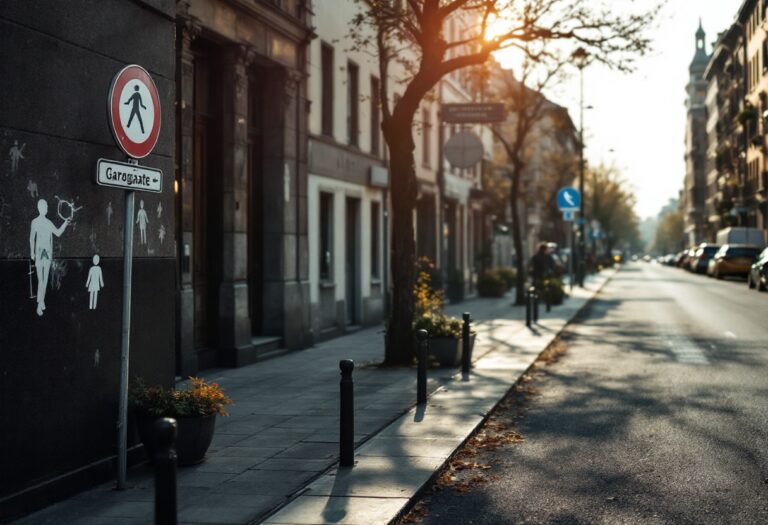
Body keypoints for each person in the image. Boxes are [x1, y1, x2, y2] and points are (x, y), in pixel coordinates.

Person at [29, 199, 69, 316]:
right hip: (40, 254)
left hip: (47, 254)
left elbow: (58, 233)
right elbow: (32, 238)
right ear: (39, 208)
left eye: (46, 207)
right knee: (41, 280)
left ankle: (41, 302)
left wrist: (65, 223)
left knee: (44, 280)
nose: (46, 208)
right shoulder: (35, 222)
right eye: (44, 207)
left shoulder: (47, 222)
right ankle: (39, 304)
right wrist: (32, 252)